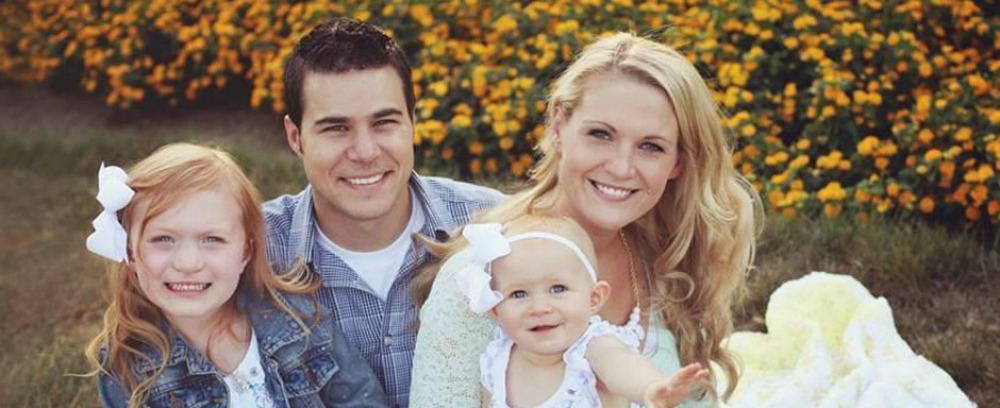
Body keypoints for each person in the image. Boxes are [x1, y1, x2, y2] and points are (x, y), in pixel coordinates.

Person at [410, 33, 762, 407]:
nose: (621, 167)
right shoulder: (488, 271)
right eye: (600, 134)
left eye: (650, 146)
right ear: (558, 127)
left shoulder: (663, 263)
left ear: (678, 162)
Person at [263, 17, 503, 407]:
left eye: (384, 123)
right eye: (336, 128)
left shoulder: (495, 226)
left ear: (413, 122)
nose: (365, 152)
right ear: (296, 137)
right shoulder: (249, 251)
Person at [83, 143, 389, 407]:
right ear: (131, 252)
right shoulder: (128, 365)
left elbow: (362, 399)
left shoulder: (299, 318)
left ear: (245, 252)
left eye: (212, 239)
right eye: (163, 239)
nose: (188, 263)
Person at [455, 216, 710, 408]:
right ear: (496, 309)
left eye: (558, 289)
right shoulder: (496, 361)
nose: (539, 307)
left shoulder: (592, 347)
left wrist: (650, 388)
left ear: (594, 298)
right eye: (519, 294)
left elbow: (621, 365)